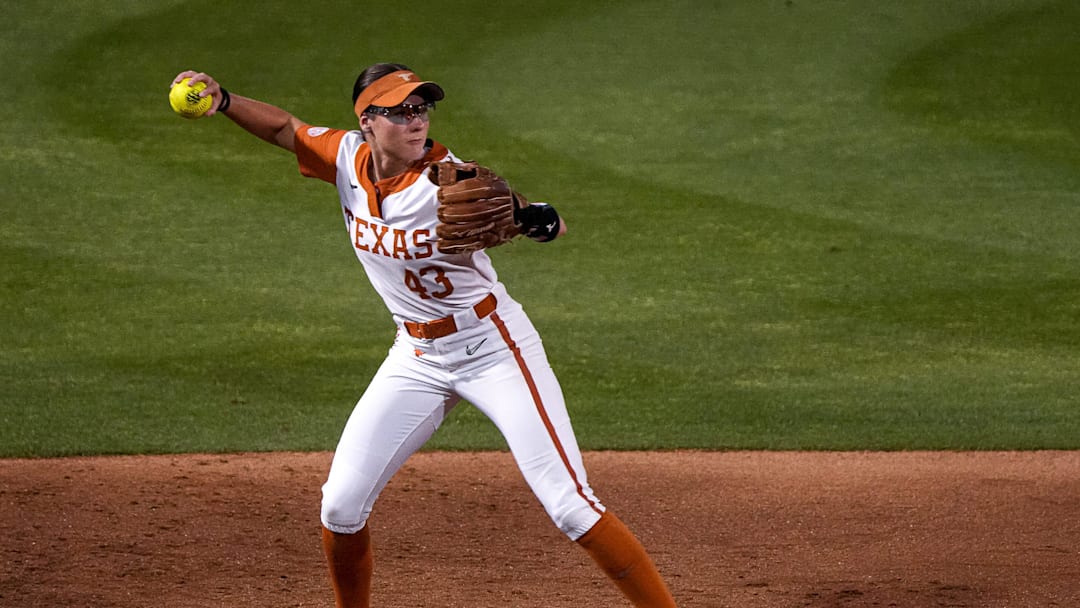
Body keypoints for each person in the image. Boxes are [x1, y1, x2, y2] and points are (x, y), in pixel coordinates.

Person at [169, 64, 678, 608]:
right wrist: (224, 101)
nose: (416, 123)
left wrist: (532, 219)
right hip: (415, 355)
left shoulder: (451, 180)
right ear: (367, 121)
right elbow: (283, 128)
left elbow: (532, 219)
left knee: (571, 507)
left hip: (493, 347)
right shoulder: (345, 158)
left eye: (421, 109)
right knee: (340, 507)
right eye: (400, 111)